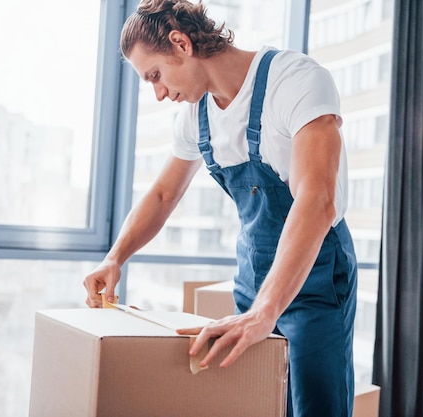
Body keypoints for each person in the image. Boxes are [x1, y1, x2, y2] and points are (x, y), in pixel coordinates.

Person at [83, 0, 358, 416]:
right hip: (253, 277)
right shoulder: (196, 117)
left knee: (316, 406)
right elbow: (162, 195)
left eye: (155, 76)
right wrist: (114, 257)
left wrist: (266, 311)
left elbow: (317, 201)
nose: (158, 93)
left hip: (317, 279)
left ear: (180, 43)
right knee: (255, 401)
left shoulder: (295, 80)